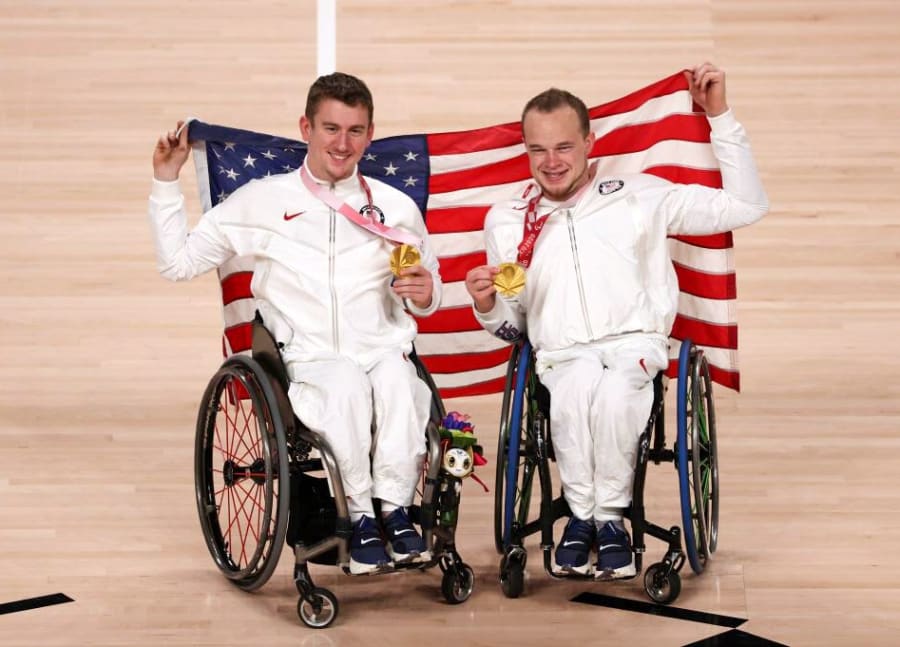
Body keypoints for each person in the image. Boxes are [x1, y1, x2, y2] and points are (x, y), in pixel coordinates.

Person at [464, 63, 768, 579]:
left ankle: (605, 519)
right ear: (526, 150)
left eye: (563, 147)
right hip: (561, 354)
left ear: (589, 141)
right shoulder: (508, 219)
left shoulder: (640, 194)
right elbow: (513, 329)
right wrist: (487, 304)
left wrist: (720, 115)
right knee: (576, 390)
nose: (551, 162)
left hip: (635, 345)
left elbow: (746, 205)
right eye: (538, 149)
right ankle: (584, 517)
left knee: (613, 396)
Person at [149, 72, 442, 575]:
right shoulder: (261, 200)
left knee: (398, 384)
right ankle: (360, 515)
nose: (342, 143)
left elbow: (427, 287)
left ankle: (394, 511)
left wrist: (427, 292)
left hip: (381, 347)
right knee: (346, 387)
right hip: (309, 355)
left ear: (371, 134)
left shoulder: (396, 208)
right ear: (306, 127)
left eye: (355, 131)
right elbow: (178, 263)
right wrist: (164, 181)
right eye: (331, 128)